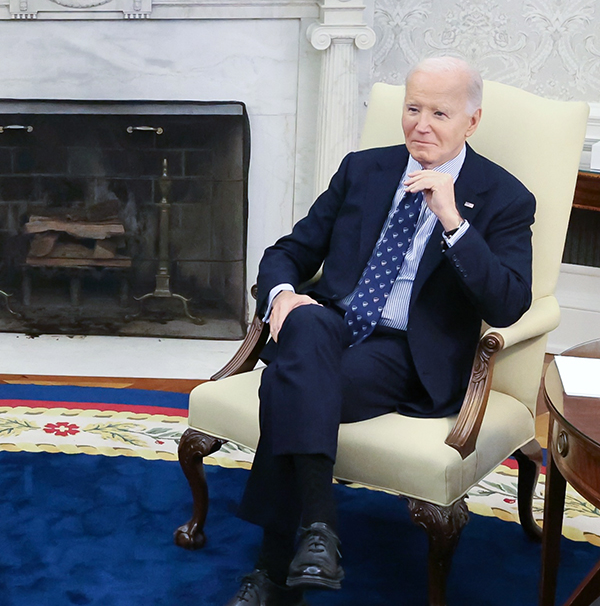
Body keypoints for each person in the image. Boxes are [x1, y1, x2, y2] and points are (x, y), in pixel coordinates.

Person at [225, 57, 534, 606]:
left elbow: (508, 303)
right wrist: (282, 294)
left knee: (284, 384)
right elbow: (288, 252)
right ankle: (318, 531)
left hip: (405, 353)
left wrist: (452, 222)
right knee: (310, 322)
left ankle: (274, 568)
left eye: (440, 112)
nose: (421, 124)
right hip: (333, 327)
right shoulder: (363, 169)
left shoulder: (503, 197)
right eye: (413, 108)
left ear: (472, 121)